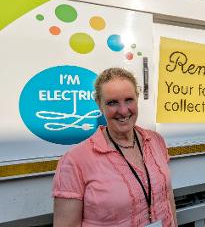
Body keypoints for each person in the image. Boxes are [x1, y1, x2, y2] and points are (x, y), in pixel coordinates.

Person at [52, 67, 177, 227]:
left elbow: (168, 197)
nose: (123, 110)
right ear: (99, 105)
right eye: (112, 103)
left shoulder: (155, 141)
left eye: (129, 100)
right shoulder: (75, 161)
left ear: (137, 98)